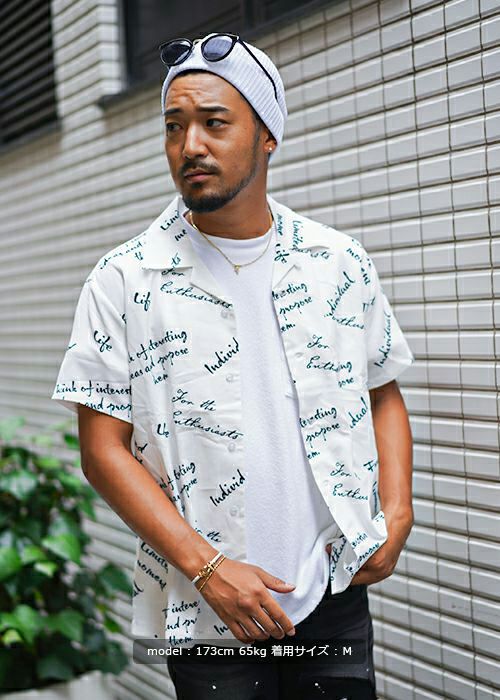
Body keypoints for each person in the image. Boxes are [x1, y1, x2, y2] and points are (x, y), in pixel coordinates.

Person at [50, 32, 415, 700]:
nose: (190, 145)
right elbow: (102, 451)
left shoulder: (337, 261)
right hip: (205, 607)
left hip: (332, 589)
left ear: (267, 135)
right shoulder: (124, 279)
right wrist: (209, 568)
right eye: (174, 126)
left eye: (214, 123)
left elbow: (382, 390)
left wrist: (397, 512)